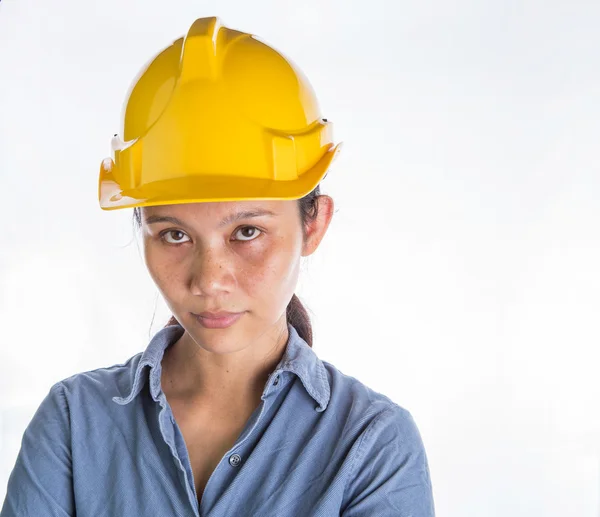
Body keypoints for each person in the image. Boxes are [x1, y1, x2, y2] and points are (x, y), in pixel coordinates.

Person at [1, 16, 435, 516]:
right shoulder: (75, 424)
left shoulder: (372, 446)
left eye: (246, 232)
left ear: (314, 224)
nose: (208, 280)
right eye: (175, 235)